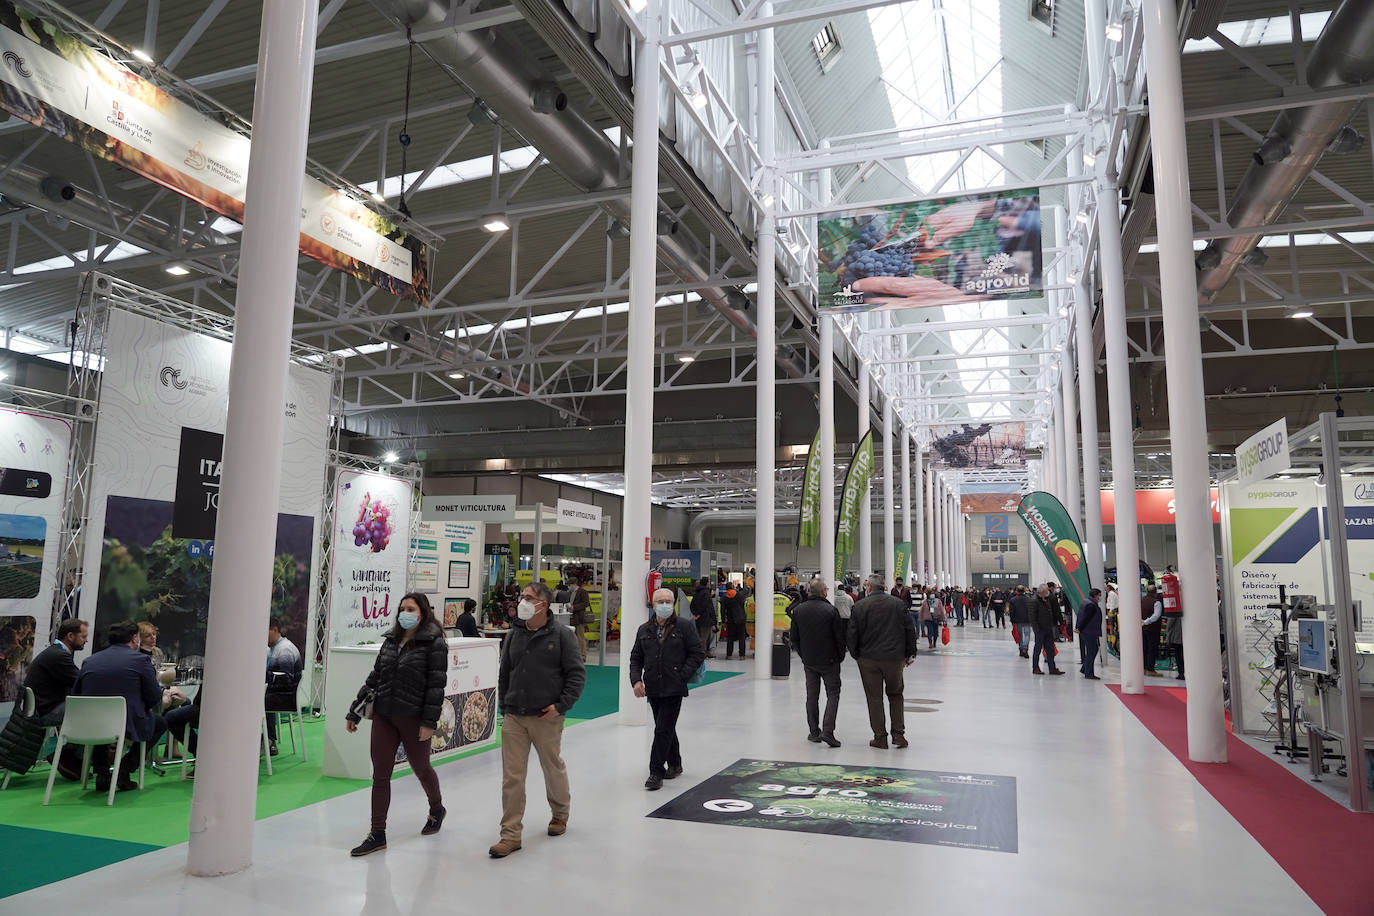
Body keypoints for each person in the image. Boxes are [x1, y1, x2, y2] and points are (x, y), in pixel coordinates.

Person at [345, 593, 449, 857]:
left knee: (421, 768)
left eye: (410, 608)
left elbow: (436, 686)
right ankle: (377, 833)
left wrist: (428, 722)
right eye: (402, 608)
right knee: (381, 774)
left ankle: (436, 809)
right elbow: (375, 677)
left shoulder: (434, 643)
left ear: (422, 613)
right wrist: (354, 711)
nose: (405, 612)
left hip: (413, 719)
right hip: (384, 715)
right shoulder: (390, 640)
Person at [489, 580, 585, 858]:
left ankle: (560, 814)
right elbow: (505, 671)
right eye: (522, 597)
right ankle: (510, 834)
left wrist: (561, 705)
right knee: (512, 777)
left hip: (547, 717)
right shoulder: (514, 634)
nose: (523, 602)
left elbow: (576, 674)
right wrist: (506, 705)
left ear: (543, 604)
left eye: (529, 598)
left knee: (552, 767)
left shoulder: (561, 635)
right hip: (515, 716)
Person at [72, 620, 170, 792]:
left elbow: (76, 694)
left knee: (102, 717)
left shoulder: (89, 661)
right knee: (160, 723)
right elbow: (154, 697)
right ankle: (124, 769)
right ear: (134, 639)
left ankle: (103, 773)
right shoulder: (140, 660)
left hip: (87, 725)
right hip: (125, 724)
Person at [630, 588, 705, 791]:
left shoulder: (685, 626)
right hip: (653, 687)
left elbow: (697, 653)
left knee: (662, 728)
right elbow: (636, 657)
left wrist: (682, 676)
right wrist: (636, 681)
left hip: (674, 687)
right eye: (660, 601)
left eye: (668, 601)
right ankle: (675, 763)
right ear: (653, 605)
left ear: (673, 604)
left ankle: (656, 771)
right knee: (665, 726)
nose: (665, 605)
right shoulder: (644, 629)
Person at [847, 575, 918, 749]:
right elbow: (909, 630)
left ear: (869, 588)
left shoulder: (860, 606)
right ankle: (898, 735)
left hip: (868, 659)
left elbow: (852, 634)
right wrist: (910, 654)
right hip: (894, 659)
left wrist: (856, 654)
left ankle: (880, 737)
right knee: (895, 695)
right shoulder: (898, 604)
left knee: (874, 698)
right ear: (883, 588)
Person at [790, 578, 845, 748]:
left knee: (811, 696)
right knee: (833, 694)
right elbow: (839, 638)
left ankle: (814, 731)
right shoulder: (831, 610)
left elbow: (794, 638)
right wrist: (840, 656)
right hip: (829, 661)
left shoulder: (798, 610)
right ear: (823, 592)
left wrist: (804, 655)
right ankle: (828, 732)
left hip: (809, 661)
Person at [23, 618, 87, 726]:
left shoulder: (55, 652)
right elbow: (81, 682)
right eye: (83, 636)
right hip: (45, 712)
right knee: (91, 708)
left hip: (41, 709)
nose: (86, 640)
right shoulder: (59, 656)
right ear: (70, 636)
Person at [265, 618, 303, 755]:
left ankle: (268, 740)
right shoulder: (272, 649)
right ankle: (267, 740)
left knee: (258, 701)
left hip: (287, 697)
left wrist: (264, 678)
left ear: (275, 630)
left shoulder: (284, 651)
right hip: (280, 694)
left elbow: (286, 680)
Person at [1030, 584, 1065, 675]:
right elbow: (1032, 617)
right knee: (1037, 649)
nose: (1047, 593)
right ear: (1041, 592)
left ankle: (1052, 668)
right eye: (1046, 592)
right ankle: (1035, 668)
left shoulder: (1046, 599)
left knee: (1050, 649)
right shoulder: (1034, 601)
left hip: (1048, 628)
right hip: (1040, 629)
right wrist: (1036, 629)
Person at [1076, 588, 1104, 680]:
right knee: (1092, 651)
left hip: (1088, 631)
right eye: (1099, 595)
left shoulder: (1086, 602)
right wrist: (1079, 628)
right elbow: (1085, 618)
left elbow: (1080, 615)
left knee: (1093, 650)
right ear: (1095, 595)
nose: (1100, 597)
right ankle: (1089, 673)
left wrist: (1078, 627)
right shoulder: (1091, 605)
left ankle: (1085, 668)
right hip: (1089, 631)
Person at [690, 577, 718, 659]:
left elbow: (692, 605)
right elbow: (706, 606)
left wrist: (695, 614)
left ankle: (706, 652)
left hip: (699, 619)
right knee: (704, 637)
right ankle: (703, 654)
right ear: (707, 583)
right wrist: (699, 613)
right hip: (705, 618)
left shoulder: (696, 593)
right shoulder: (706, 593)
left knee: (701, 636)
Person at [721, 584, 749, 659]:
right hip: (741, 619)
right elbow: (743, 606)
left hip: (731, 620)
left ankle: (729, 654)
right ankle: (742, 655)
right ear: (733, 587)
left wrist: (723, 621)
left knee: (730, 637)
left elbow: (723, 611)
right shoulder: (740, 596)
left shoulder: (725, 598)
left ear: (726, 589)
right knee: (741, 637)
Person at [1141, 585, 1164, 676]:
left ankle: (1144, 668)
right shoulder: (1157, 602)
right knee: (1152, 649)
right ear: (1155, 592)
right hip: (1153, 629)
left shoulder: (1141, 600)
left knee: (1144, 648)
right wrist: (1147, 622)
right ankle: (1150, 669)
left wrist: (1142, 622)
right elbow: (1156, 615)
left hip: (1143, 628)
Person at [569, 576, 592, 661]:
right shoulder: (571, 593)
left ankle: (583, 655)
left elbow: (586, 603)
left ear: (573, 584)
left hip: (579, 617)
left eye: (570, 585)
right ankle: (575, 654)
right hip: (572, 617)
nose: (569, 587)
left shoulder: (582, 592)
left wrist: (574, 607)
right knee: (573, 637)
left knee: (580, 637)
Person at [1009, 585, 1032, 657]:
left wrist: (1012, 620)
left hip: (1017, 620)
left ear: (1017, 591)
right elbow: (1031, 610)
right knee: (1027, 634)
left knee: (1020, 635)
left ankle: (1021, 649)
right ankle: (1025, 647)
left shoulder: (1013, 600)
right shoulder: (1029, 599)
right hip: (1027, 620)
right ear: (1024, 591)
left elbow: (1011, 612)